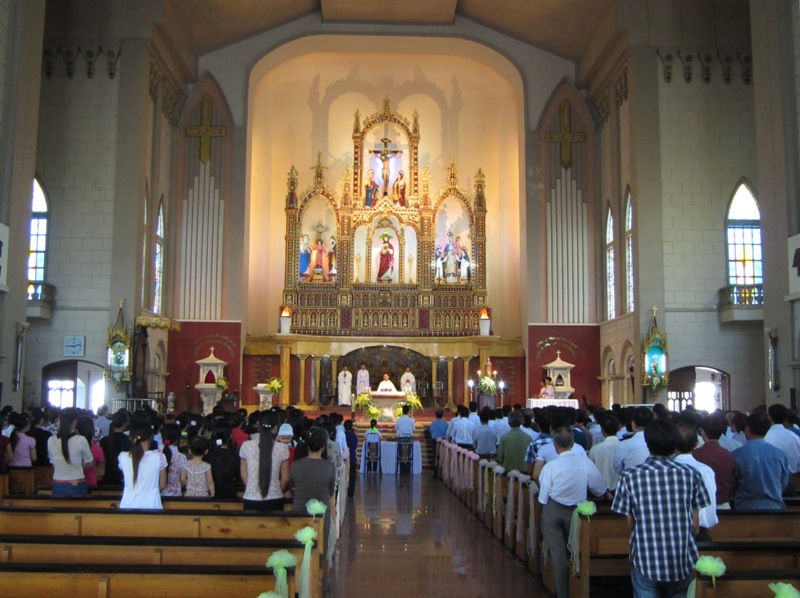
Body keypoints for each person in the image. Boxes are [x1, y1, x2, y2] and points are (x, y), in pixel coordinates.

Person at [612, 419, 711, 597]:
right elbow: (695, 523)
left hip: (645, 555)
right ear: (675, 445)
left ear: (647, 443)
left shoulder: (630, 476)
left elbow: (630, 523)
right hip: (681, 556)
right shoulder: (691, 474)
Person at [539, 424, 609, 598]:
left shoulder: (551, 466)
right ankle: (578, 590)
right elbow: (599, 489)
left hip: (554, 509)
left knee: (557, 552)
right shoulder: (585, 462)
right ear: (572, 443)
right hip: (578, 512)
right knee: (577, 550)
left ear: (555, 445)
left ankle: (561, 592)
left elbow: (543, 498)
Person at [732, 412, 790, 509]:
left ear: (747, 429)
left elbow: (733, 483)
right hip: (775, 507)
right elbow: (783, 482)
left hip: (744, 508)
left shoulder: (737, 455)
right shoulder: (779, 454)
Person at [290, 427, 336, 542]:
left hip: (299, 509)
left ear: (308, 445)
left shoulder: (295, 465)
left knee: (299, 543)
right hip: (321, 510)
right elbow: (331, 492)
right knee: (321, 543)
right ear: (323, 447)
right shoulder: (329, 467)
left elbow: (292, 488)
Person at [239, 410, 290, 511]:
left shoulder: (246, 446)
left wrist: (252, 488)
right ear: (276, 427)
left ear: (258, 425)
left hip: (251, 498)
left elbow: (244, 475)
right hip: (275, 499)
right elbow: (285, 478)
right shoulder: (282, 448)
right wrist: (276, 491)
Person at [674, 423, 718, 538]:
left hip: (676, 530)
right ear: (696, 443)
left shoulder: (669, 471)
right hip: (702, 530)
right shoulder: (707, 470)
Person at [119, 422, 168, 509]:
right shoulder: (159, 457)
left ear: (131, 438)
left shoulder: (123, 457)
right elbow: (162, 485)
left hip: (128, 505)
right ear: (151, 437)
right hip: (152, 504)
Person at [693, 414, 736, 508]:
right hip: (723, 504)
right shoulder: (728, 455)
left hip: (702, 506)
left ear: (703, 433)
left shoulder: (695, 455)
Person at [48, 409, 93, 495]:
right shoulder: (81, 440)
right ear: (75, 422)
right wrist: (80, 465)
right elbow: (90, 463)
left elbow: (53, 463)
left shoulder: (51, 440)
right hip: (76, 483)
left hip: (58, 483)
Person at [612, 406, 653, 474]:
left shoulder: (623, 445)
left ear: (633, 424)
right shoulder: (657, 443)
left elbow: (617, 469)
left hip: (630, 479)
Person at [588, 413, 621, 491]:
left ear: (602, 431)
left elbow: (591, 471)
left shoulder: (595, 449)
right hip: (620, 489)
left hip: (601, 491)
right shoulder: (624, 447)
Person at [765, 403, 800, 474]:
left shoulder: (766, 437)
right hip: (794, 476)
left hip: (774, 476)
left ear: (770, 417)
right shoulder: (794, 436)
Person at [100, 410, 132, 486]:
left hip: (105, 478)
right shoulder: (129, 441)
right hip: (123, 478)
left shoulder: (103, 441)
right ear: (125, 424)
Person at [77, 416, 104, 488]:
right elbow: (101, 472)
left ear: (77, 431)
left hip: (75, 483)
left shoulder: (71, 447)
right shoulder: (98, 449)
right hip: (92, 484)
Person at [160, 423, 186, 497]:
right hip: (176, 496)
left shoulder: (155, 454)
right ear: (177, 440)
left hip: (158, 496)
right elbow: (183, 480)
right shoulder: (182, 457)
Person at [429, 409, 448, 478]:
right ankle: (442, 472)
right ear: (442, 415)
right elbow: (447, 432)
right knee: (443, 456)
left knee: (435, 456)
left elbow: (431, 431)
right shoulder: (445, 423)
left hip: (435, 441)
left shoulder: (433, 423)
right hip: (443, 441)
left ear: (436, 415)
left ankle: (435, 472)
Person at [344, 420, 358, 497]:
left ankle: (343, 491)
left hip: (344, 458)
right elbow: (355, 446)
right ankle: (351, 493)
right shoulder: (354, 435)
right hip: (352, 457)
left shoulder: (342, 434)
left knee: (344, 475)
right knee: (352, 476)